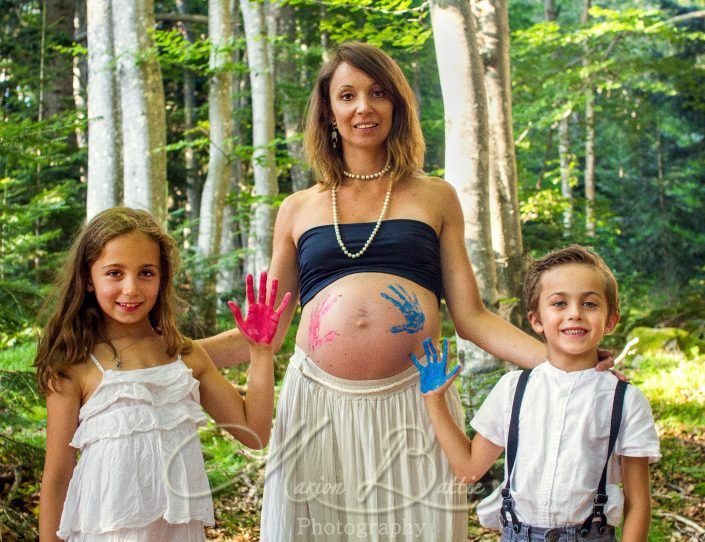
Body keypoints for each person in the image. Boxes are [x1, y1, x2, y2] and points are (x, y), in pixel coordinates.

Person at [199, 42, 615, 541]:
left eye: (377, 93)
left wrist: (562, 360)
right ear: (329, 111)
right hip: (317, 409)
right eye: (346, 95)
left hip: (416, 403)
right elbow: (265, 329)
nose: (363, 107)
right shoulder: (298, 208)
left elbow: (473, 317)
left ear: (397, 105)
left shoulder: (434, 196)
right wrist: (170, 351)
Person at [35, 206, 290, 542]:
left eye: (146, 273)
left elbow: (255, 434)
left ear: (162, 277)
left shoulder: (185, 356)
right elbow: (57, 477)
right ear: (88, 279)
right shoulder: (74, 366)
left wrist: (260, 351)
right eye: (114, 273)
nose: (131, 289)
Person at [413, 245, 660, 541]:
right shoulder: (513, 389)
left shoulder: (625, 400)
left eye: (590, 304)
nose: (575, 314)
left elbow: (638, 503)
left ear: (610, 320)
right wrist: (434, 399)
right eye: (559, 303)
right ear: (536, 320)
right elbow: (467, 469)